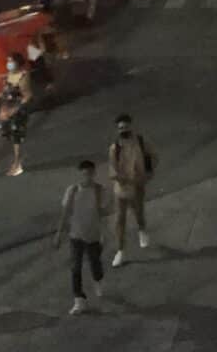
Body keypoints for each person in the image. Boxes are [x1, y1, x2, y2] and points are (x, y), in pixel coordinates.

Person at [55, 158, 107, 315]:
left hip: (93, 235)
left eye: (90, 174)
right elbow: (65, 213)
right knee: (75, 268)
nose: (87, 177)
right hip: (76, 235)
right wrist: (59, 233)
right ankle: (79, 300)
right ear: (80, 174)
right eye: (84, 174)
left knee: (95, 263)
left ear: (94, 173)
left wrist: (106, 234)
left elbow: (103, 213)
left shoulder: (100, 191)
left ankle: (98, 279)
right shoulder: (72, 191)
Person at [108, 113, 154, 264]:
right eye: (121, 128)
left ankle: (142, 229)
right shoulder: (115, 148)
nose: (123, 130)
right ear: (117, 130)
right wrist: (118, 177)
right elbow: (112, 169)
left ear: (131, 126)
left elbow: (152, 157)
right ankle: (120, 251)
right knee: (120, 220)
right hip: (121, 188)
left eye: (126, 127)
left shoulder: (141, 142)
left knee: (138, 212)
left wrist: (148, 173)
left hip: (137, 186)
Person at [0, 54, 33, 175]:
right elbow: (4, 94)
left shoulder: (23, 76)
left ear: (18, 62)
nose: (9, 64)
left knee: (17, 136)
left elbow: (27, 96)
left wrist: (14, 110)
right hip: (8, 109)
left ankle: (17, 164)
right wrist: (3, 109)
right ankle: (17, 158)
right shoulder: (8, 76)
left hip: (19, 110)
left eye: (11, 61)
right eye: (8, 61)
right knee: (9, 134)